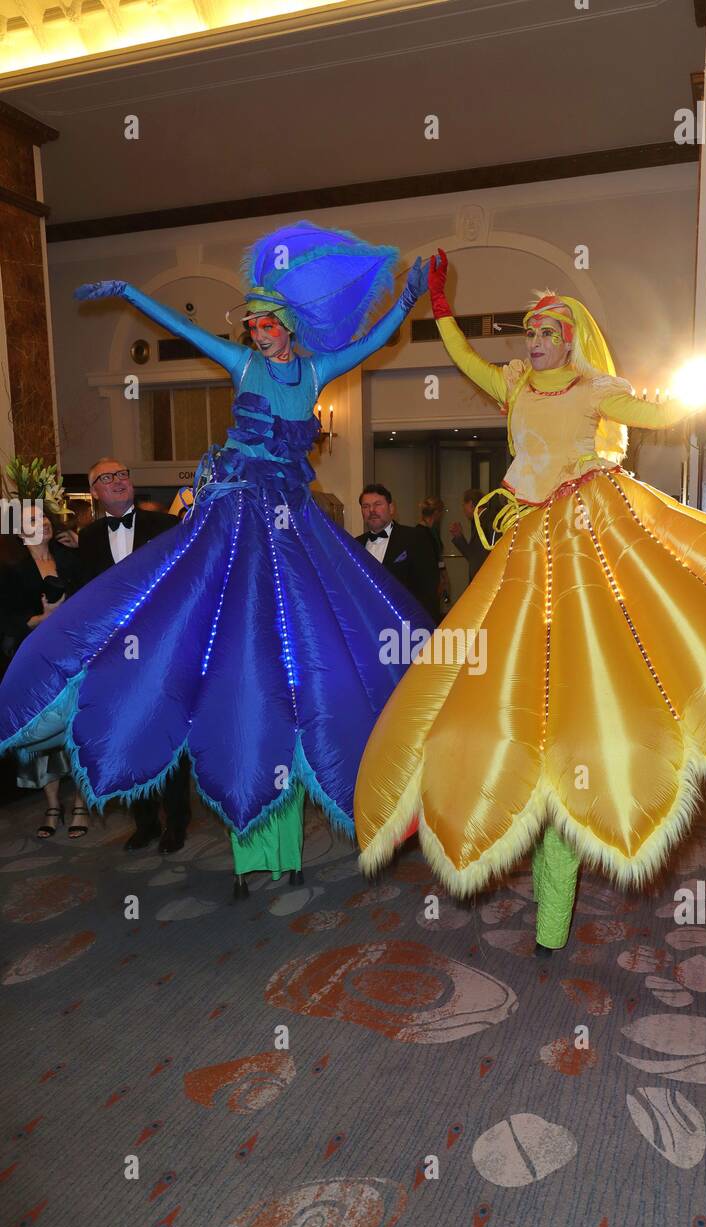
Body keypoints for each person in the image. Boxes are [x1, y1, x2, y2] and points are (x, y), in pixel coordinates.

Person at [354, 249, 706, 956]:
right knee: (498, 678)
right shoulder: (513, 386)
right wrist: (439, 307)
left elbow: (658, 409)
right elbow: (466, 361)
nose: (533, 341)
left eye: (545, 331)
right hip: (524, 548)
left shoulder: (593, 389)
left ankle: (612, 774)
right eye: (528, 332)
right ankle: (541, 843)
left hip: (593, 530)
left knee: (627, 647)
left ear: (568, 338)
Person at [0, 222, 430, 885]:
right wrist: (132, 294)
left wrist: (408, 301)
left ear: (287, 327)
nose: (257, 333)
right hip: (236, 515)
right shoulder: (245, 365)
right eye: (251, 325)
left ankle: (296, 834)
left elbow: (372, 342)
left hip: (290, 519)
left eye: (265, 324)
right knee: (213, 633)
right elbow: (184, 329)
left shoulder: (317, 368)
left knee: (316, 645)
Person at [79, 459, 190, 853]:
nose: (117, 481)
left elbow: (184, 581)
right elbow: (84, 599)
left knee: (166, 733)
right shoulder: (87, 538)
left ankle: (176, 822)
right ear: (94, 492)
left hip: (161, 651)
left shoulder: (165, 526)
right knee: (126, 735)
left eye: (122, 474)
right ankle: (144, 821)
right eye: (106, 478)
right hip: (114, 659)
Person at [0, 503, 89, 838]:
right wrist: (43, 619)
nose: (46, 523)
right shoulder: (10, 571)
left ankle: (81, 803)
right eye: (35, 520)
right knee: (42, 733)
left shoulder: (71, 559)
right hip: (34, 662)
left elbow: (96, 596)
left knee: (78, 729)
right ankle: (53, 804)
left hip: (76, 657)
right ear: (21, 534)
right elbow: (6, 619)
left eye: (46, 517)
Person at [355, 483, 440, 624]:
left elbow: (428, 588)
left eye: (377, 504)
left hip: (406, 626)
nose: (372, 510)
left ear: (391, 508)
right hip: (367, 628)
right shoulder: (355, 545)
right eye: (366, 506)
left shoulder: (415, 538)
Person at [450, 487, 493, 582]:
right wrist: (459, 537)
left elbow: (478, 557)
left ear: (470, 503)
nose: (463, 509)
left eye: (463, 505)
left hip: (484, 579)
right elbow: (474, 555)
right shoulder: (481, 521)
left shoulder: (486, 520)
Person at [417, 496, 450, 616]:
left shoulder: (425, 531)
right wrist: (441, 579)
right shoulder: (426, 534)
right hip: (429, 584)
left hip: (430, 581)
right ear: (436, 513)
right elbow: (434, 559)